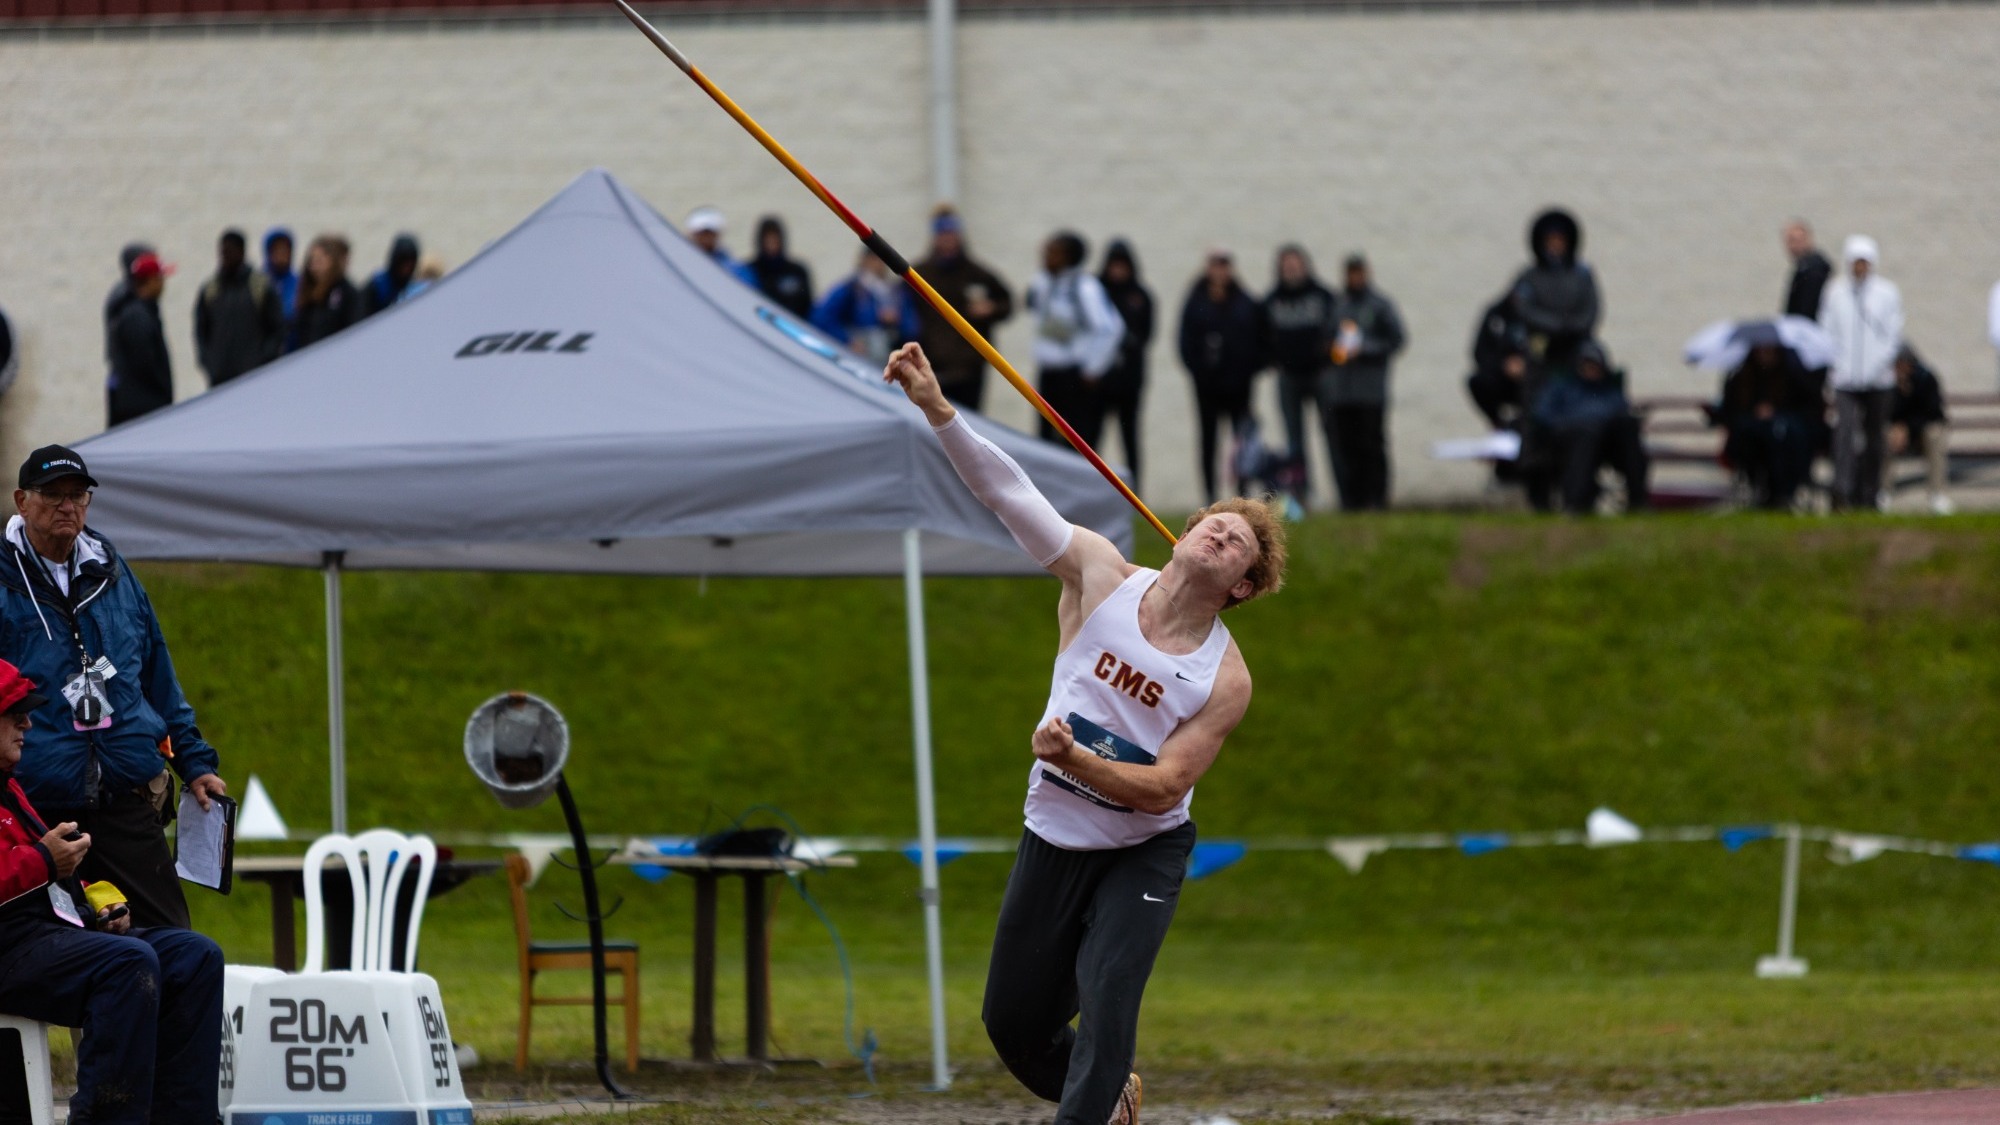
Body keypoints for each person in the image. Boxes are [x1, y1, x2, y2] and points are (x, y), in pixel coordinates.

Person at [881, 340, 1286, 1125]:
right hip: (1055, 834)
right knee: (1012, 1023)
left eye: (1235, 541)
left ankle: (1092, 1097)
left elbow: (1167, 785)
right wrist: (937, 408)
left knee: (1107, 1005)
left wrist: (1076, 758)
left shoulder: (1224, 678)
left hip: (1143, 846)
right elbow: (1009, 493)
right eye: (1214, 523)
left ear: (1240, 585)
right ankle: (1111, 1100)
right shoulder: (1097, 572)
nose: (1218, 534)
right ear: (1183, 534)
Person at [0, 446, 227, 928]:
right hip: (37, 806)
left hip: (125, 795)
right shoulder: (4, 581)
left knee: (177, 946)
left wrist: (195, 762)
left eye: (78, 495)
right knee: (60, 955)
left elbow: (158, 676)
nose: (68, 505)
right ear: (22, 501)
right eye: (53, 495)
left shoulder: (114, 574)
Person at [0, 656, 223, 1125]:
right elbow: (34, 866)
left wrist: (100, 905)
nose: (28, 722)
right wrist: (43, 860)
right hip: (10, 948)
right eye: (12, 713)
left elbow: (53, 876)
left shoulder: (10, 787)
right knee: (126, 964)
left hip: (43, 934)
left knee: (193, 955)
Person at [1819, 235, 1903, 511]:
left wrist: (1875, 366)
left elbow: (1892, 335)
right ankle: (1842, 491)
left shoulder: (1887, 293)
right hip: (1845, 379)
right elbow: (1827, 330)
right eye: (1855, 262)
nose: (1860, 267)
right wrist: (1837, 365)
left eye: (1864, 262)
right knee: (1843, 435)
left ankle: (1870, 492)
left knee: (1875, 438)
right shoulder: (1835, 292)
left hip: (1878, 380)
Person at [1178, 250, 1262, 503]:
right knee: (1208, 440)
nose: (1220, 272)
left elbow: (1259, 339)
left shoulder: (1244, 301)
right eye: (1216, 265)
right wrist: (1199, 372)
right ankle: (1209, 495)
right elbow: (1185, 343)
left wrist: (1248, 370)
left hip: (1239, 386)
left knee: (1242, 442)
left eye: (1224, 266)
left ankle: (1243, 494)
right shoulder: (1196, 302)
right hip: (1207, 387)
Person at [1027, 232, 1125, 449]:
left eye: (1053, 252)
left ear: (1069, 257)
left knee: (1075, 441)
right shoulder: (1044, 283)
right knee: (1044, 441)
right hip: (1048, 373)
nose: (1046, 257)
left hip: (1073, 377)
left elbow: (1110, 329)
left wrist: (1093, 368)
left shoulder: (1084, 287)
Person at [1325, 254, 1405, 511]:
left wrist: (1366, 349)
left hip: (1370, 391)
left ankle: (1377, 499)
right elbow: (1325, 339)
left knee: (1371, 445)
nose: (1355, 278)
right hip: (1342, 391)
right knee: (1347, 448)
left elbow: (1396, 339)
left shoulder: (1380, 305)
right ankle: (1353, 501)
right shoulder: (1338, 305)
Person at [1530, 341, 1648, 515]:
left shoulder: (1609, 391)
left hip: (1608, 442)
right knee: (1587, 434)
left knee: (1628, 427)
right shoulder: (1561, 387)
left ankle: (1638, 501)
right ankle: (1574, 504)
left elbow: (1621, 410)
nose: (1592, 369)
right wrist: (1572, 425)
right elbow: (1543, 416)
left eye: (1596, 366)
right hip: (1571, 440)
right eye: (1587, 365)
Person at [913, 207, 1014, 411]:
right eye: (943, 235)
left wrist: (991, 308)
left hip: (969, 366)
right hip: (932, 364)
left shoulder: (977, 273)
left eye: (952, 234)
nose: (948, 240)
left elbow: (1007, 303)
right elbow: (902, 311)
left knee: (971, 424)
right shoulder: (920, 273)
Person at [1260, 245, 1336, 506]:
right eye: (1286, 265)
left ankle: (1341, 493)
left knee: (1332, 435)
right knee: (1294, 441)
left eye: (1295, 264)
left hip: (1321, 375)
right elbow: (1260, 335)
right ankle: (1302, 496)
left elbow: (1338, 329)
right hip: (1288, 378)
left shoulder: (1324, 296)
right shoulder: (1271, 301)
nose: (1291, 269)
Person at [1717, 342, 1816, 510]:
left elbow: (1805, 408)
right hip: (1751, 440)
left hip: (1784, 439)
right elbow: (1731, 411)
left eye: (1769, 350)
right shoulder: (1741, 378)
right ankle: (1762, 490)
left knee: (1785, 440)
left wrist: (1775, 412)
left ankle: (1783, 493)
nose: (1765, 354)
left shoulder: (1791, 377)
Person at [1511, 208, 1599, 376]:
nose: (1555, 245)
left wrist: (1572, 327)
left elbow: (1591, 309)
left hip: (1576, 341)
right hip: (1541, 343)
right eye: (1551, 240)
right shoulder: (1529, 277)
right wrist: (1553, 325)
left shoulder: (1582, 276)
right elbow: (1523, 309)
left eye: (1560, 240)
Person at [194, 229, 284, 387]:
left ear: (241, 252)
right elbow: (201, 330)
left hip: (254, 376)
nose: (225, 256)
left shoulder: (260, 287)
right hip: (219, 379)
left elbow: (277, 328)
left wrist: (263, 360)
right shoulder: (211, 290)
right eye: (223, 252)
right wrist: (210, 364)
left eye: (230, 251)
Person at [1098, 241, 1154, 492]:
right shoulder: (1097, 292)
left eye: (1122, 265)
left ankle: (1135, 493)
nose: (1118, 271)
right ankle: (1093, 489)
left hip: (1130, 380)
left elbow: (1146, 334)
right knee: (1092, 440)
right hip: (1100, 380)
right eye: (1114, 265)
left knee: (1130, 438)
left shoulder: (1141, 296)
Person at [811, 250, 921, 367]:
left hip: (888, 357)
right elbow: (821, 317)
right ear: (864, 259)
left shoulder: (895, 292)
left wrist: (898, 320)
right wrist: (846, 340)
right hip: (857, 355)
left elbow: (913, 327)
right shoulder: (851, 288)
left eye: (883, 260)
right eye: (874, 259)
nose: (879, 264)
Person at [104, 252, 175, 427]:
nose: (163, 283)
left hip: (139, 403)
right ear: (150, 280)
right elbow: (145, 362)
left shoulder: (137, 311)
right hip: (143, 407)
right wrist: (162, 392)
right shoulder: (137, 315)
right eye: (159, 278)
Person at [1885, 344, 1951, 515]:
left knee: (1935, 434)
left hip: (1921, 432)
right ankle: (1883, 491)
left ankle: (1937, 493)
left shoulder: (1926, 379)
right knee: (1885, 435)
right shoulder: (1888, 383)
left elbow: (1933, 413)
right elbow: (1887, 413)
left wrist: (1907, 428)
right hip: (1899, 434)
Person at [292, 234, 361, 352]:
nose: (314, 267)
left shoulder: (347, 293)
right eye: (312, 261)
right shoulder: (307, 294)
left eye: (319, 261)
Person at [749, 215, 814, 319]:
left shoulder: (798, 271)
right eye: (767, 241)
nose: (771, 245)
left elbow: (808, 308)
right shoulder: (749, 270)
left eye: (775, 240)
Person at [684, 207, 756, 286]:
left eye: (709, 233)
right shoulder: (683, 268)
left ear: (717, 235)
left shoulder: (736, 270)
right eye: (701, 234)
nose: (705, 238)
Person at [359, 233, 421, 317]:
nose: (406, 269)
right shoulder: (377, 285)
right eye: (403, 263)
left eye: (410, 264)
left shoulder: (415, 287)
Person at [1782, 220, 1832, 321]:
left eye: (1797, 241)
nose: (1794, 246)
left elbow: (1808, 305)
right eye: (1790, 241)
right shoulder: (1803, 267)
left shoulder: (1814, 268)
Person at [263, 227, 299, 323]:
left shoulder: (299, 283)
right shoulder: (259, 282)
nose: (282, 255)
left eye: (285, 250)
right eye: (277, 250)